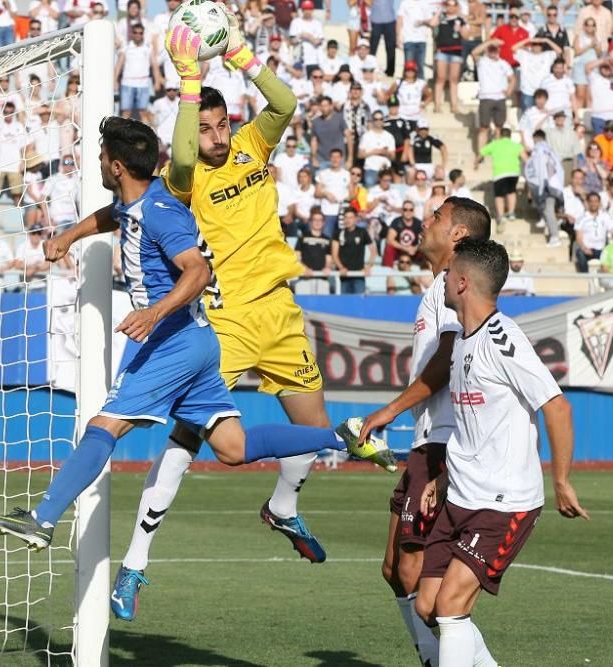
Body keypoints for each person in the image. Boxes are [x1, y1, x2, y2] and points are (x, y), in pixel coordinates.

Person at [0, 116, 395, 599]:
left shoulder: (161, 212)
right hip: (198, 342)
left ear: (115, 166)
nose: (96, 164)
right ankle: (340, 436)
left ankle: (42, 519)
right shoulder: (139, 200)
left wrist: (153, 313)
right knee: (232, 448)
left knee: (105, 425)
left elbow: (196, 271)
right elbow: (115, 215)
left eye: (100, 159)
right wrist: (71, 235)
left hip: (172, 342)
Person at [106, 20, 399, 620]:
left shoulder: (253, 146)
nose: (216, 136)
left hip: (280, 313)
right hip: (224, 321)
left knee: (312, 432)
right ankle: (135, 563)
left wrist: (239, 54)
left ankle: (284, 508)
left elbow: (285, 101)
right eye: (206, 127)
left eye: (221, 125)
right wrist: (191, 83)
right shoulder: (181, 181)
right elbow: (181, 154)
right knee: (188, 438)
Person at [413, 237, 588, 666]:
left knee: (451, 605)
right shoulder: (462, 343)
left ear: (462, 283)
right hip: (460, 496)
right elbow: (475, 430)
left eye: (449, 275)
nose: (444, 282)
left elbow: (558, 407)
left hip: (504, 503)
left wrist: (562, 482)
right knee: (427, 604)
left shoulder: (502, 337)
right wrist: (442, 478)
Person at [341, 196, 492, 667]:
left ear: (458, 236)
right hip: (427, 439)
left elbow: (447, 361)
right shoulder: (437, 289)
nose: (426, 223)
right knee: (394, 569)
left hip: (445, 443)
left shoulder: (454, 289)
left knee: (418, 577)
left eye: (437, 217)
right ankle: (435, 658)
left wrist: (387, 411)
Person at [476, 128, 525, 230]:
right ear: (510, 135)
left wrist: (476, 163)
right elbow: (525, 157)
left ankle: (501, 215)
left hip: (500, 173)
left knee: (499, 195)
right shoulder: (515, 145)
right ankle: (511, 213)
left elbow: (482, 152)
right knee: (511, 192)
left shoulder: (495, 144)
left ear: (501, 135)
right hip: (513, 172)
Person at [471, 39, 515, 149]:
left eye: (495, 50)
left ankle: (496, 152)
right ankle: (481, 154)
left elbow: (512, 78)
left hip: (500, 98)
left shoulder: (504, 64)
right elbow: (474, 52)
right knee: (484, 127)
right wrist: (489, 42)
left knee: (499, 128)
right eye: (491, 50)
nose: (493, 52)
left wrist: (509, 90)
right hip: (486, 97)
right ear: (487, 50)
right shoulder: (482, 61)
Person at [524, 129, 565, 246]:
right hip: (554, 184)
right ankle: (544, 219)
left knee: (549, 210)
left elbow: (541, 169)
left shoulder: (539, 150)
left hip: (546, 185)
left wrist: (542, 185)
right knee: (546, 209)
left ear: (536, 138)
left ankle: (555, 237)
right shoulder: (551, 150)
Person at [331, 208, 375, 293]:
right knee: (344, 303)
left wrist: (368, 266)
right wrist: (341, 268)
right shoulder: (338, 233)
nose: (348, 220)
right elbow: (334, 255)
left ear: (356, 219)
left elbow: (373, 251)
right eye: (346, 217)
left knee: (359, 303)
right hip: (344, 275)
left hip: (359, 275)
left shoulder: (362, 232)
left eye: (350, 217)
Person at [294, 208, 333, 294]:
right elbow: (296, 257)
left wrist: (327, 267)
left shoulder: (327, 239)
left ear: (324, 222)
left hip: (322, 280)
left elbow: (329, 259)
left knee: (323, 307)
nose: (317, 222)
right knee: (303, 307)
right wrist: (304, 268)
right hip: (304, 279)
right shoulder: (302, 238)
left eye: (320, 220)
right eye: (315, 219)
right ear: (310, 222)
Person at [574, 191, 613, 272]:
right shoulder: (582, 217)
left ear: (599, 203)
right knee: (580, 253)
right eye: (591, 201)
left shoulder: (605, 216)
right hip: (587, 249)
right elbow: (578, 236)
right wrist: (584, 248)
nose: (593, 204)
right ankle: (585, 278)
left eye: (596, 201)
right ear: (588, 203)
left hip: (601, 249)